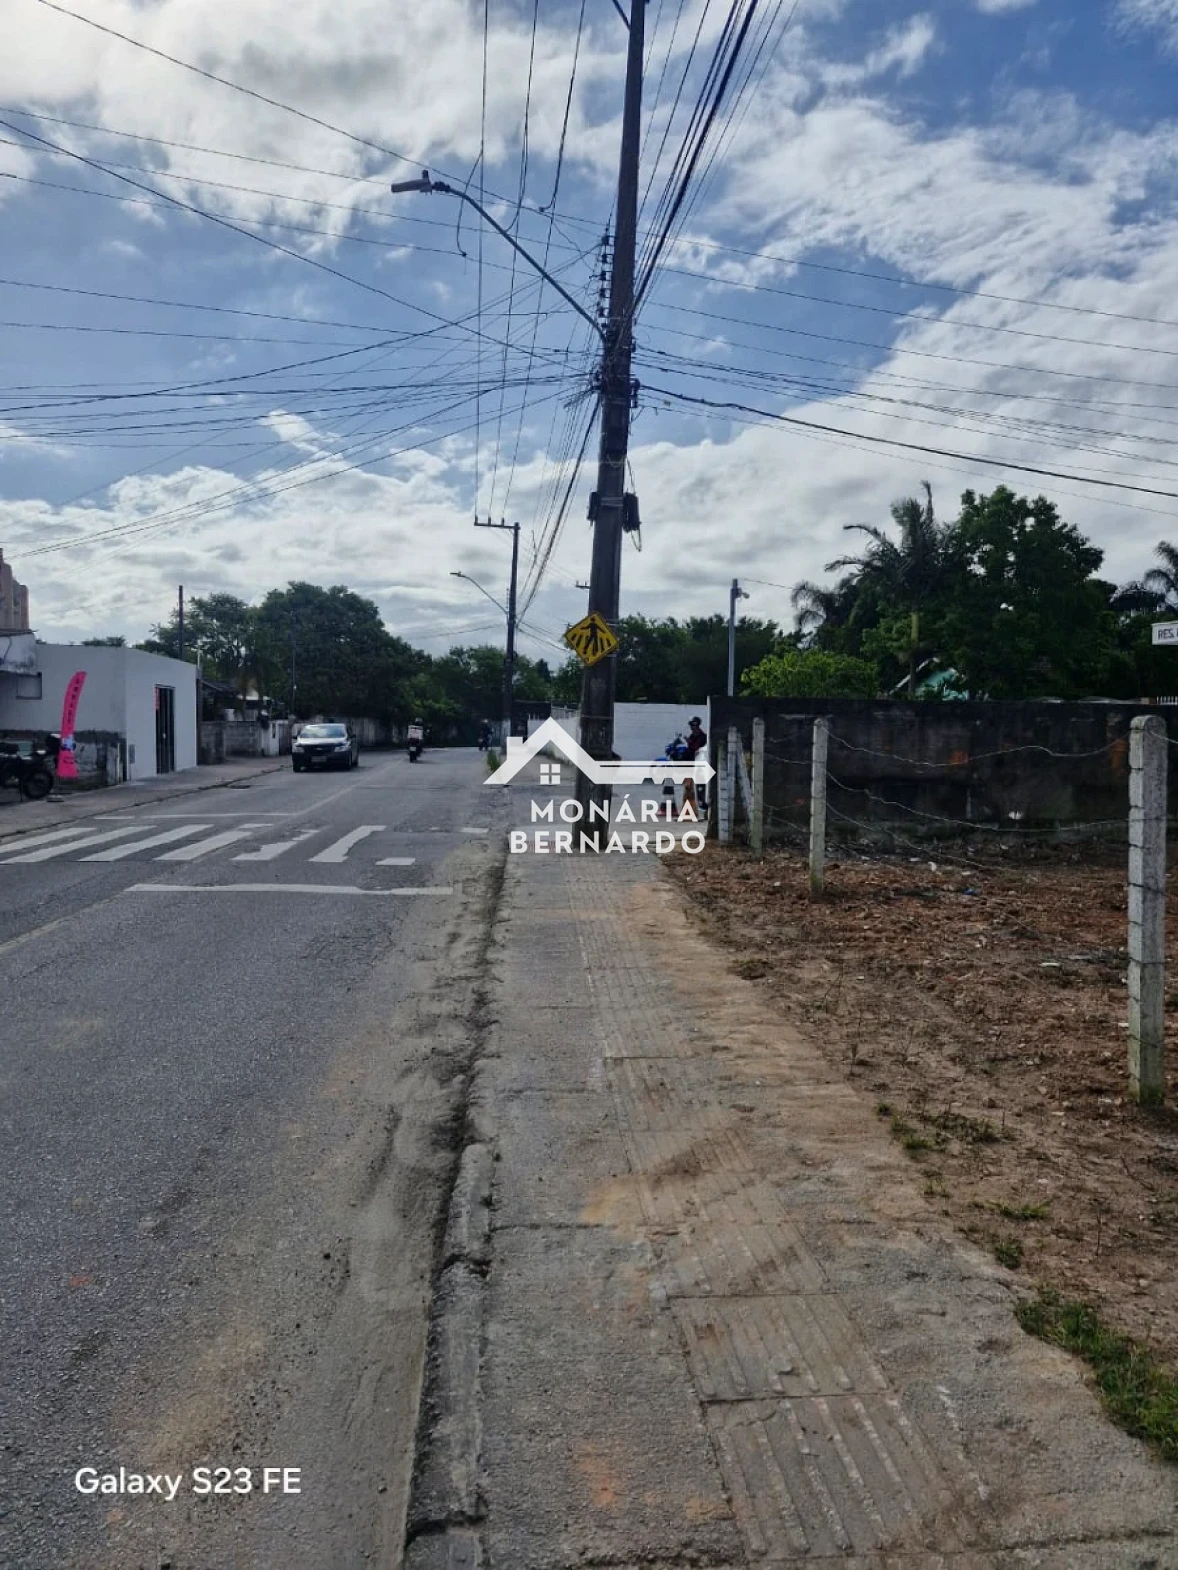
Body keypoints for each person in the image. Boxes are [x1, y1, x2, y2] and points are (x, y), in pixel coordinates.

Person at [685, 715, 708, 813]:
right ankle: (695, 805)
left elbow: (695, 748)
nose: (691, 727)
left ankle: (702, 804)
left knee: (700, 785)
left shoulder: (702, 737)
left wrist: (688, 742)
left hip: (699, 764)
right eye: (691, 725)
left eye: (693, 725)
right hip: (692, 763)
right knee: (690, 786)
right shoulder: (692, 735)